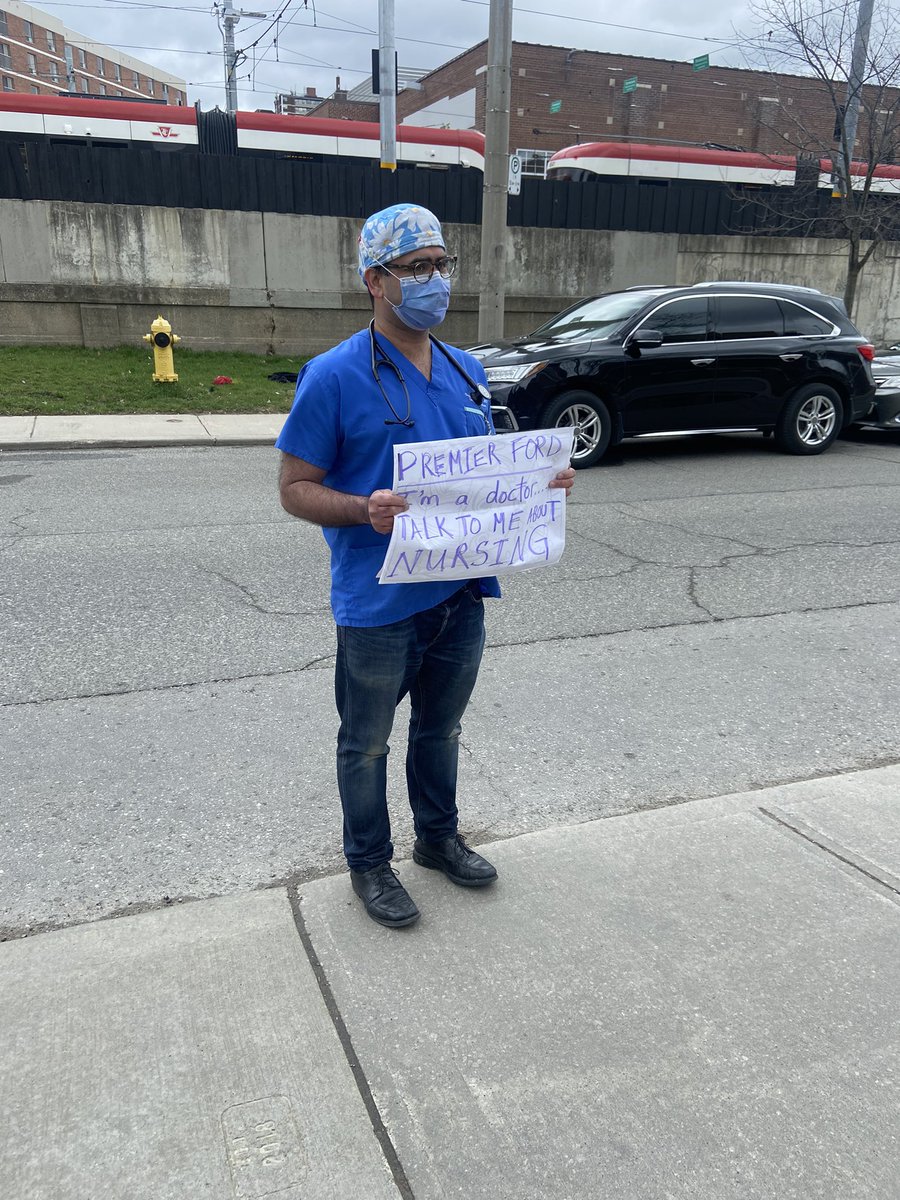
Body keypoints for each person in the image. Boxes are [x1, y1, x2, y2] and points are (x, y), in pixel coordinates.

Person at [277, 203, 575, 929]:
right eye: (418, 268)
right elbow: (294, 490)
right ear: (376, 280)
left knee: (440, 732)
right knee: (367, 741)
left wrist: (540, 480)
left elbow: (479, 474)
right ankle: (369, 864)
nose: (435, 281)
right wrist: (363, 510)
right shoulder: (334, 376)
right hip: (379, 606)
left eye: (441, 265)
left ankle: (437, 841)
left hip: (459, 596)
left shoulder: (466, 371)